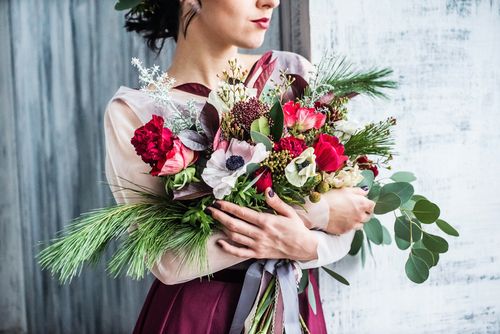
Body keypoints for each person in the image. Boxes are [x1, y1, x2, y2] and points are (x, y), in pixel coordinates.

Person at [103, 0, 375, 332]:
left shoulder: (294, 77)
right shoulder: (135, 112)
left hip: (294, 307)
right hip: (200, 316)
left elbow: (353, 211)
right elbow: (169, 261)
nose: (271, 1)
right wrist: (312, 213)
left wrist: (308, 246)